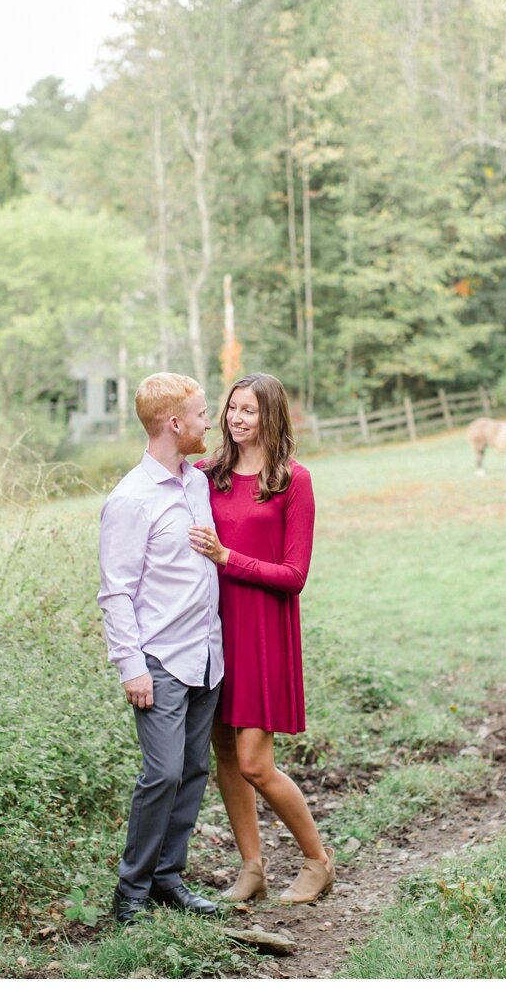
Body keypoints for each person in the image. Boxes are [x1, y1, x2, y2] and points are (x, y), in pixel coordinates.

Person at [189, 372, 335, 905]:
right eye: (231, 408)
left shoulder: (294, 480)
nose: (236, 418)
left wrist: (229, 558)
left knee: (255, 763)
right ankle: (252, 868)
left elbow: (295, 574)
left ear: (271, 414)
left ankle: (318, 861)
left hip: (263, 631)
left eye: (248, 409)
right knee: (226, 755)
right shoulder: (209, 474)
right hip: (211, 628)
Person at [97, 372, 225, 925]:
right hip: (160, 660)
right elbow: (116, 592)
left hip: (207, 654)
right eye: (200, 413)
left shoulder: (196, 483)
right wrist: (132, 666)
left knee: (194, 769)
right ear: (174, 423)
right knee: (163, 774)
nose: (207, 421)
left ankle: (170, 879)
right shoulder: (129, 500)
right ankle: (131, 890)